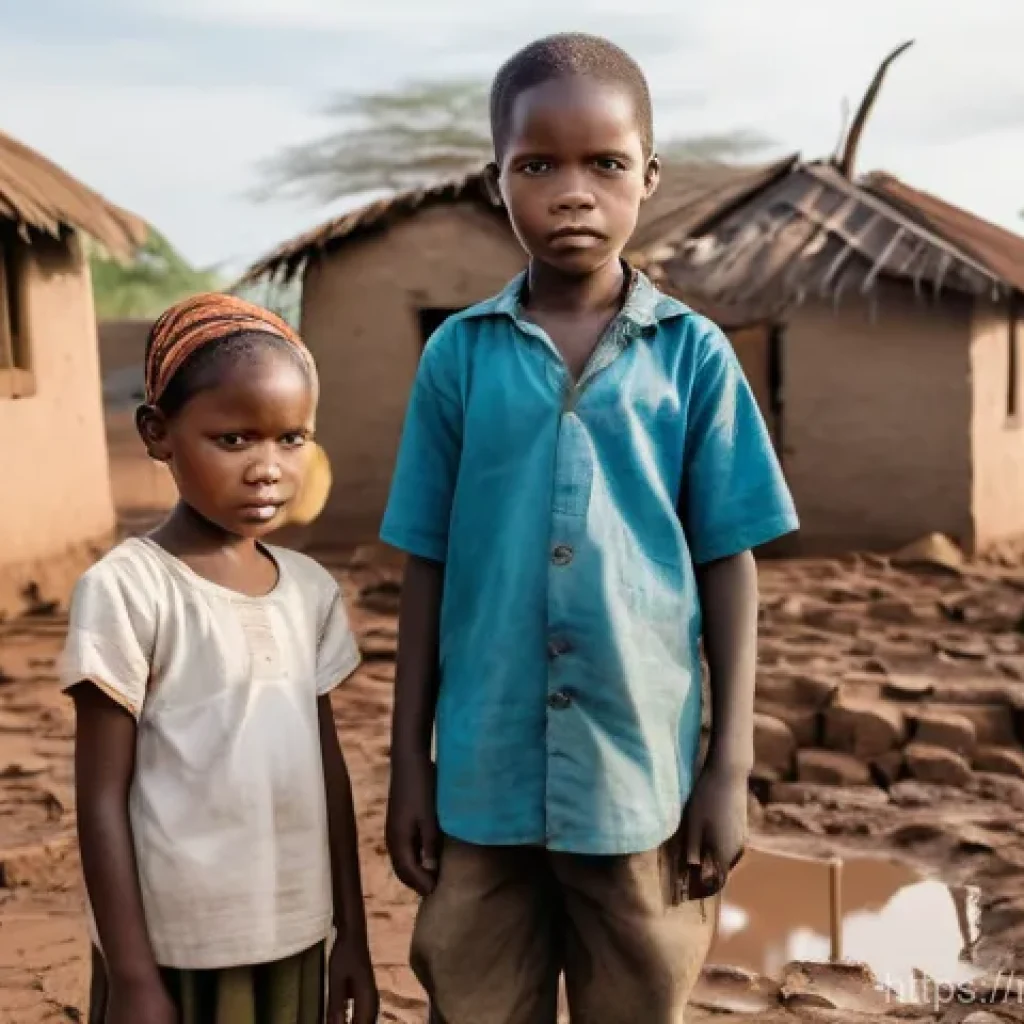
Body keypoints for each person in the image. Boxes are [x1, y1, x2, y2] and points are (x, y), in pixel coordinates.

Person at [381, 32, 799, 1024]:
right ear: (498, 182)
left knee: (640, 989)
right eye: (538, 165)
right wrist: (409, 765)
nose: (573, 191)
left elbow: (727, 565)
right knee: (472, 990)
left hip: (638, 774)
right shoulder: (458, 358)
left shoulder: (693, 358)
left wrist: (725, 768)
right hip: (481, 772)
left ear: (647, 177)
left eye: (604, 164)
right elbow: (426, 566)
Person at [61, 294, 379, 1024]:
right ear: (158, 433)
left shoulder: (309, 593)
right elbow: (101, 800)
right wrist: (134, 977)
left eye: (292, 439)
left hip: (293, 934)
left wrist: (351, 936)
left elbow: (328, 775)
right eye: (234, 440)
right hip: (174, 948)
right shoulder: (130, 589)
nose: (268, 468)